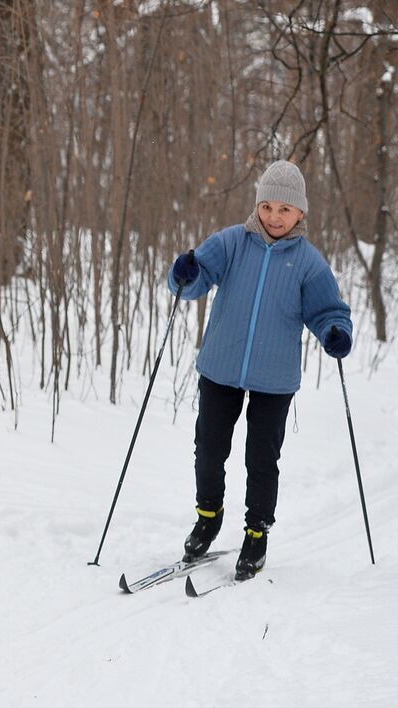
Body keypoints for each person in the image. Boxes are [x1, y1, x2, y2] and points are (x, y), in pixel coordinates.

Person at [169, 159, 353, 580]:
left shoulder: (309, 263)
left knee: (261, 459)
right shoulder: (233, 242)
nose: (274, 216)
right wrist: (185, 271)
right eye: (267, 206)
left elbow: (328, 311)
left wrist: (335, 332)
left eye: (284, 210)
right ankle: (208, 516)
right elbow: (195, 278)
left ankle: (256, 534)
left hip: (274, 379)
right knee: (210, 449)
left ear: (300, 213)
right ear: (257, 206)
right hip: (220, 366)